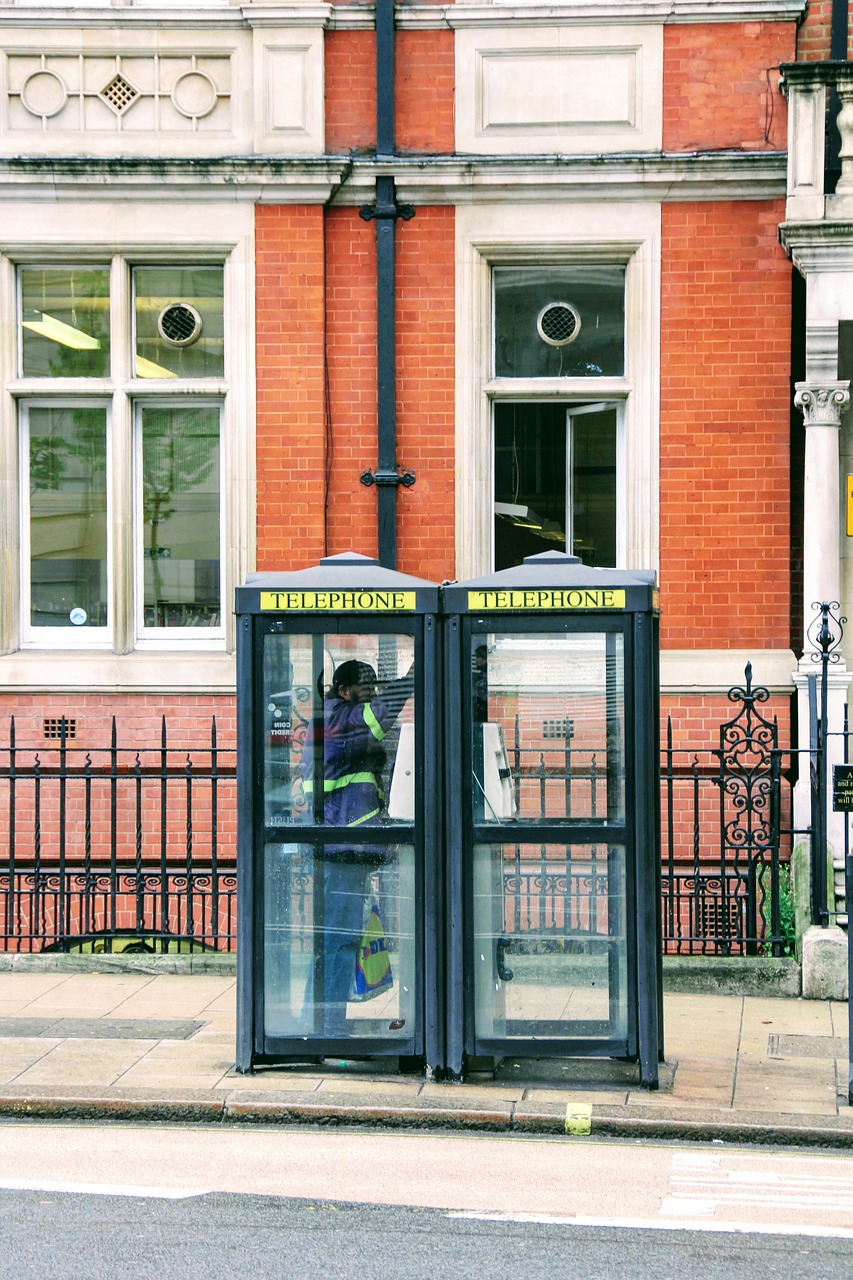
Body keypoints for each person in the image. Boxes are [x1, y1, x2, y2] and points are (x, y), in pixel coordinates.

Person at [301, 657, 414, 1036]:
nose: (373, 695)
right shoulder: (340, 718)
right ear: (346, 690)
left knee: (332, 937)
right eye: (367, 688)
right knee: (340, 940)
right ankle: (329, 1025)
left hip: (342, 844)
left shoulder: (334, 715)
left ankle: (315, 1017)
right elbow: (380, 715)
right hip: (343, 846)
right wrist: (414, 674)